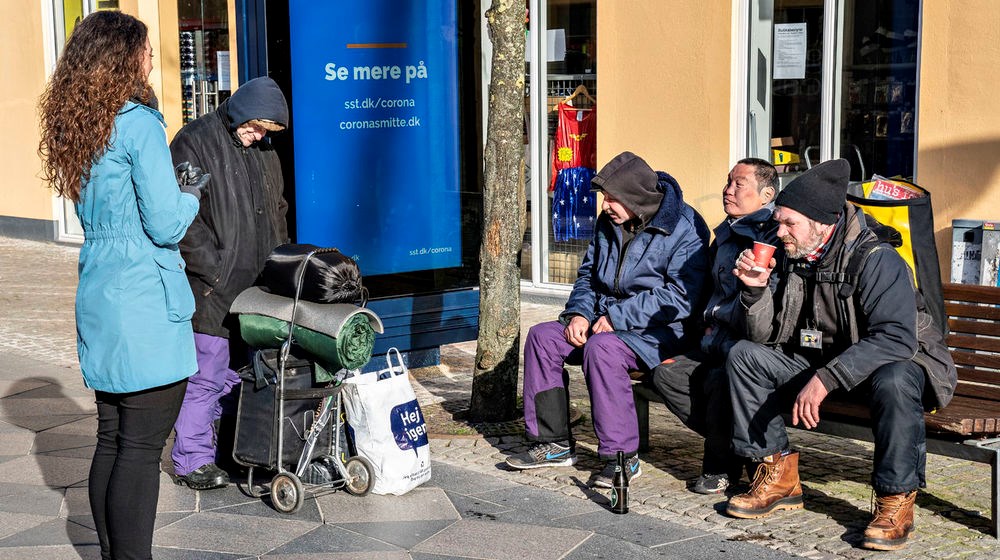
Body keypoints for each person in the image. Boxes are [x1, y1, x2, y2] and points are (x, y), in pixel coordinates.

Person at [37, 11, 204, 559]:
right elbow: (164, 221)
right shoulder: (137, 122)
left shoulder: (82, 122)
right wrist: (191, 194)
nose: (153, 59)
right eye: (148, 50)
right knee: (139, 448)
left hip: (102, 293)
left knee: (111, 439)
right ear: (125, 58)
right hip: (145, 303)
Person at [724, 159, 956, 551]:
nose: (779, 232)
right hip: (828, 365)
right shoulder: (793, 256)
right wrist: (754, 292)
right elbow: (764, 336)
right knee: (744, 355)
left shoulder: (877, 259)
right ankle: (777, 473)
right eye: (779, 221)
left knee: (896, 377)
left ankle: (895, 499)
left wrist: (825, 379)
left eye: (789, 223)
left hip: (891, 369)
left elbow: (898, 339)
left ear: (822, 223)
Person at [505, 151, 710, 488]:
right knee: (543, 337)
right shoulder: (608, 223)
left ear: (636, 199)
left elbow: (681, 296)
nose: (605, 206)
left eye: (613, 199)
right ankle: (551, 442)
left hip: (660, 331)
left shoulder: (684, 228)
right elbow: (587, 275)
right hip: (604, 320)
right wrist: (579, 313)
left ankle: (620, 458)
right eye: (606, 198)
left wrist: (617, 317)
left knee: (602, 350)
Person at [168, 76, 290, 490]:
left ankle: (231, 450)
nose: (259, 137)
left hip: (256, 288)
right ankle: (192, 459)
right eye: (255, 127)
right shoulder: (194, 141)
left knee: (242, 372)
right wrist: (212, 268)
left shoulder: (263, 149)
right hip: (212, 288)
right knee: (206, 375)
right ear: (239, 112)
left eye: (267, 132)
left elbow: (277, 207)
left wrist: (281, 260)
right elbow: (184, 216)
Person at [650, 158, 780, 494]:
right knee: (666, 374)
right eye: (728, 182)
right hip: (712, 341)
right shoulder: (725, 233)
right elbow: (707, 291)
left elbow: (764, 310)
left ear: (766, 196)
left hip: (746, 348)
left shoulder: (771, 237)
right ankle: (736, 442)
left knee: (722, 379)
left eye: (739, 184)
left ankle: (720, 465)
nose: (728, 190)